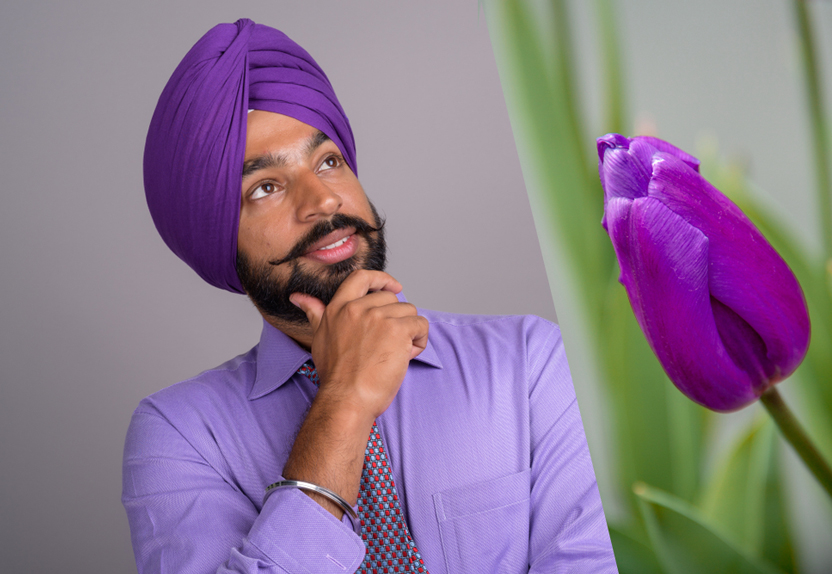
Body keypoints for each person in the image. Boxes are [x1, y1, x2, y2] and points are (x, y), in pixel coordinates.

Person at [123, 18, 617, 574]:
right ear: (215, 236)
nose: (322, 202)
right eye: (265, 187)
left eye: (328, 162)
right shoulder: (180, 435)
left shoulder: (526, 362)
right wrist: (344, 403)